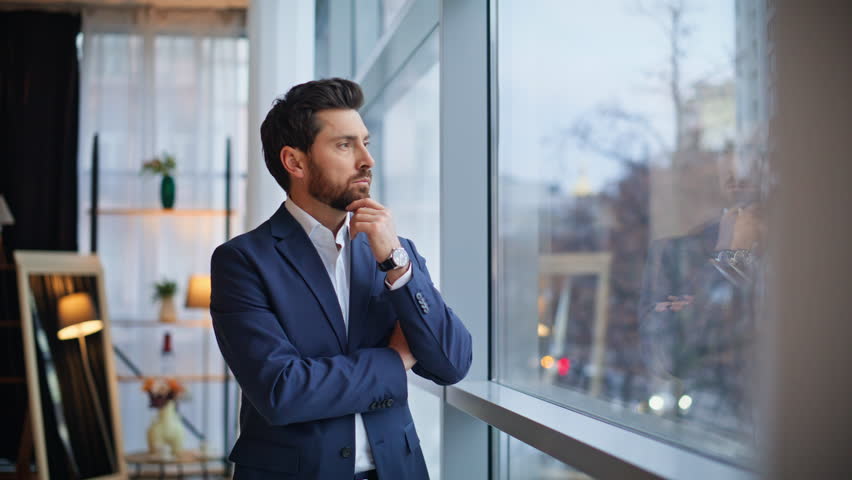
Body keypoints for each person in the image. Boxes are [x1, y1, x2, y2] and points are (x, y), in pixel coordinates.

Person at [210, 78, 472, 480]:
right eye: (345, 145)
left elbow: (451, 363)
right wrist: (396, 359)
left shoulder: (393, 250)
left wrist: (399, 267)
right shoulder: (243, 262)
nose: (367, 160)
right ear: (295, 162)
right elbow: (283, 391)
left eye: (366, 142)